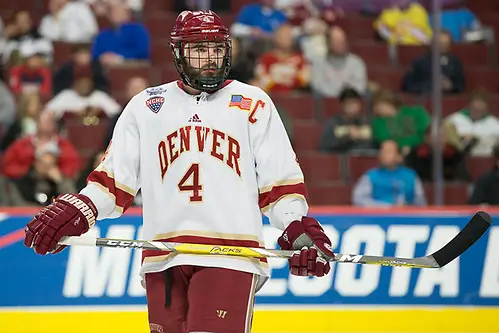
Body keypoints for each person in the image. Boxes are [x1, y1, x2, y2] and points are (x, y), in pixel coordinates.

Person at [23, 10, 334, 333]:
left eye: (216, 49)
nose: (210, 58)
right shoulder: (145, 106)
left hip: (230, 253)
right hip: (162, 256)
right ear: (178, 53)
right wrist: (80, 209)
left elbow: (280, 185)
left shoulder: (254, 102)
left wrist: (295, 225)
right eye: (199, 49)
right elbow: (113, 183)